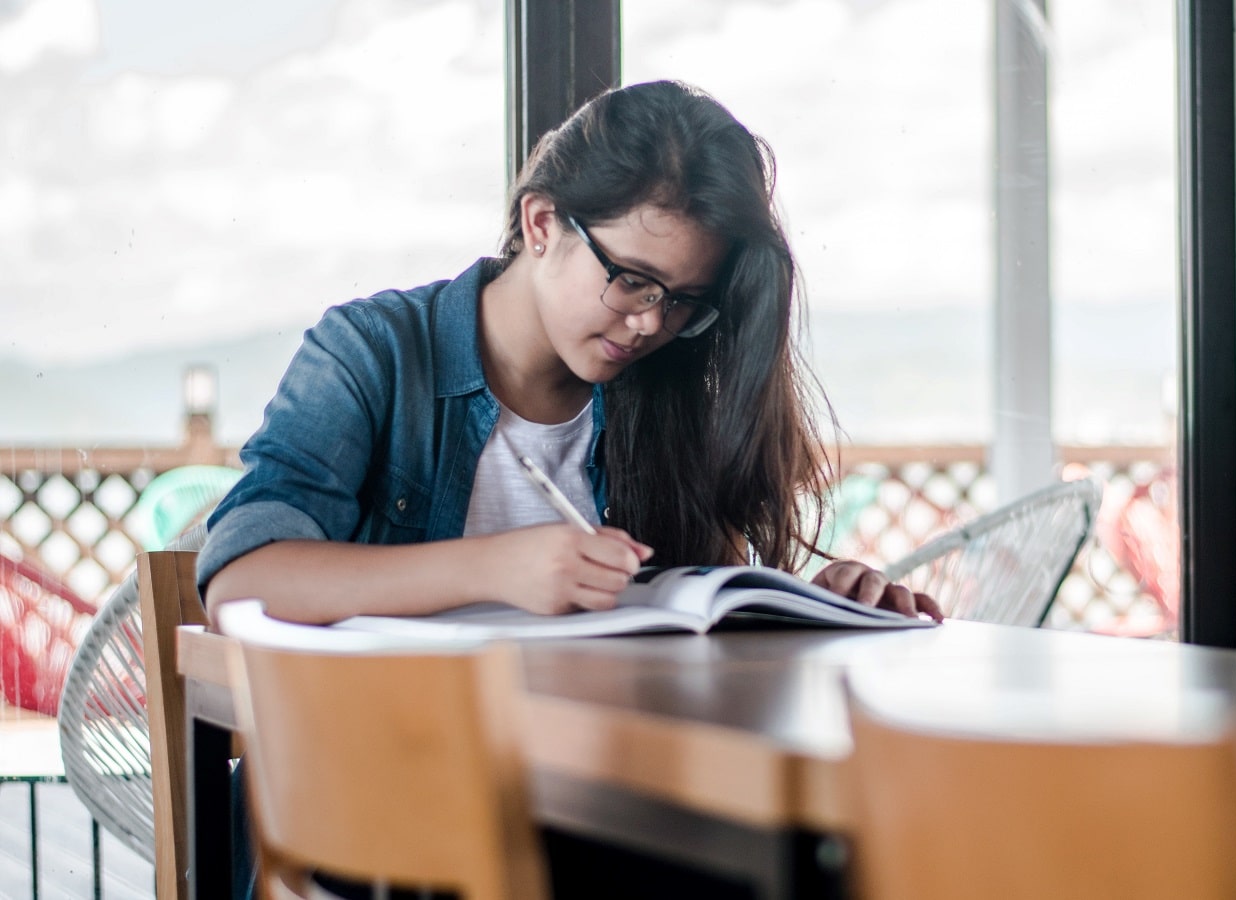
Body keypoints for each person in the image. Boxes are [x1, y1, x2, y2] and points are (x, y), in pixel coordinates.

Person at [198, 80, 942, 625]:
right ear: (544, 221)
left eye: (682, 299)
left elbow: (701, 620)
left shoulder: (664, 390)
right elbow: (242, 580)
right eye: (634, 281)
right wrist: (495, 566)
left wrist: (823, 604)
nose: (652, 324)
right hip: (369, 786)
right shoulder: (374, 353)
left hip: (583, 783)